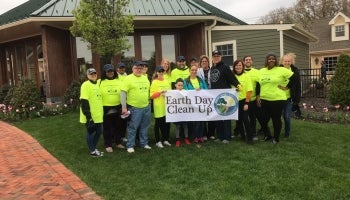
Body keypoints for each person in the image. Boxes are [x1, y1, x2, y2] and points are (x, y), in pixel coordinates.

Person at [256, 53, 294, 144]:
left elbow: (295, 78)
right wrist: (258, 96)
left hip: (277, 99)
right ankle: (268, 135)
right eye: (269, 59)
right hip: (264, 99)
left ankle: (276, 138)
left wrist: (287, 87)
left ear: (276, 60)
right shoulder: (261, 71)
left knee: (276, 119)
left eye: (273, 59)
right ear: (266, 60)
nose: (271, 60)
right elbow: (258, 84)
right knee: (263, 120)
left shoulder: (281, 70)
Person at [209, 50, 241, 143]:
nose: (216, 58)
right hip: (215, 96)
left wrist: (237, 84)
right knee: (218, 117)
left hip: (225, 96)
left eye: (218, 56)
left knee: (226, 117)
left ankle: (227, 137)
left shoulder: (225, 67)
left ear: (220, 57)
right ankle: (220, 136)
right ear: (212, 58)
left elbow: (232, 78)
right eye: (214, 56)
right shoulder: (212, 68)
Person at [120, 61, 152, 153]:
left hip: (146, 106)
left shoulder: (145, 78)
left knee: (144, 126)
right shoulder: (128, 79)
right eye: (137, 68)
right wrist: (124, 107)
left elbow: (147, 91)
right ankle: (130, 145)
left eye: (140, 68)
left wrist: (148, 103)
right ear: (132, 68)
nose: (139, 70)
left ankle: (144, 143)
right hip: (134, 108)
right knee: (133, 127)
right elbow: (123, 93)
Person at [99, 64, 125, 153]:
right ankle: (108, 144)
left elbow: (123, 93)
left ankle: (118, 142)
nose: (110, 73)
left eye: (111, 71)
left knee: (118, 126)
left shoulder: (119, 81)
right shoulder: (100, 82)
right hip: (106, 107)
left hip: (118, 106)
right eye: (108, 71)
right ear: (104, 72)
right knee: (107, 127)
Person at [79, 68, 104, 157]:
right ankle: (92, 151)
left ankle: (93, 148)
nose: (93, 75)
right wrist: (88, 116)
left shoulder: (98, 83)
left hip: (98, 115)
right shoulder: (85, 85)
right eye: (91, 74)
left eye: (94, 73)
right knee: (91, 132)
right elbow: (84, 102)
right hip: (90, 115)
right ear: (87, 75)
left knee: (99, 131)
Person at [183, 65, 208, 143]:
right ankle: (195, 137)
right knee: (195, 121)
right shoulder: (186, 81)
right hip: (192, 104)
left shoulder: (200, 80)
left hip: (201, 103)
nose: (194, 72)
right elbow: (185, 91)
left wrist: (201, 89)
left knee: (202, 121)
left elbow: (206, 89)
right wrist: (194, 91)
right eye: (192, 70)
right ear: (189, 71)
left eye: (195, 70)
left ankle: (200, 136)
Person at [280, 53, 301, 138]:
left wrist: (297, 99)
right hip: (278, 97)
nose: (287, 62)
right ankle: (277, 131)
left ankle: (287, 133)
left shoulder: (295, 71)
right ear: (282, 61)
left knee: (287, 116)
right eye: (285, 61)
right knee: (277, 117)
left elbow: (298, 86)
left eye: (289, 61)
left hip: (289, 98)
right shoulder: (278, 70)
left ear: (291, 62)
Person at [150, 66, 172, 148]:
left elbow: (170, 92)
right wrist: (160, 93)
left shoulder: (166, 81)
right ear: (157, 73)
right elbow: (151, 96)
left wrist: (167, 93)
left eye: (162, 71)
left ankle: (165, 139)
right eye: (159, 71)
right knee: (158, 124)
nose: (161, 73)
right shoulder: (154, 82)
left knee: (166, 124)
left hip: (167, 105)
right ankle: (158, 141)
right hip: (158, 106)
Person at [232, 60, 253, 144]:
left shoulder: (246, 76)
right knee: (238, 120)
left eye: (240, 65)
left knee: (245, 119)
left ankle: (250, 137)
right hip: (234, 101)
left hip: (244, 101)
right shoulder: (232, 76)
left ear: (242, 66)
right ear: (234, 67)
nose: (238, 67)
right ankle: (242, 136)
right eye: (236, 65)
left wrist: (247, 103)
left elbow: (249, 90)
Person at [243, 55, 263, 140]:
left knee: (252, 117)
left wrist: (258, 96)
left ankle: (253, 133)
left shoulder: (257, 72)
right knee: (242, 117)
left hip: (253, 98)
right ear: (244, 62)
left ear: (252, 61)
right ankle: (240, 132)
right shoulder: (241, 71)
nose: (248, 61)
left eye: (249, 60)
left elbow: (259, 85)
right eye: (246, 60)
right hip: (243, 99)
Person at [197, 55, 215, 140]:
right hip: (202, 95)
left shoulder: (213, 70)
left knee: (211, 113)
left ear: (208, 62)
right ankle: (204, 134)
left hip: (211, 94)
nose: (204, 63)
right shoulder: (198, 71)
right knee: (203, 114)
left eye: (206, 61)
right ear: (200, 63)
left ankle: (211, 133)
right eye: (203, 61)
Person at [173, 78, 191, 147]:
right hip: (177, 113)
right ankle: (177, 139)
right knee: (178, 126)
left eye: (181, 85)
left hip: (184, 112)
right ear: (175, 85)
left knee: (185, 125)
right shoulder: (172, 92)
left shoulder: (185, 91)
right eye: (179, 85)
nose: (180, 87)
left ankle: (186, 138)